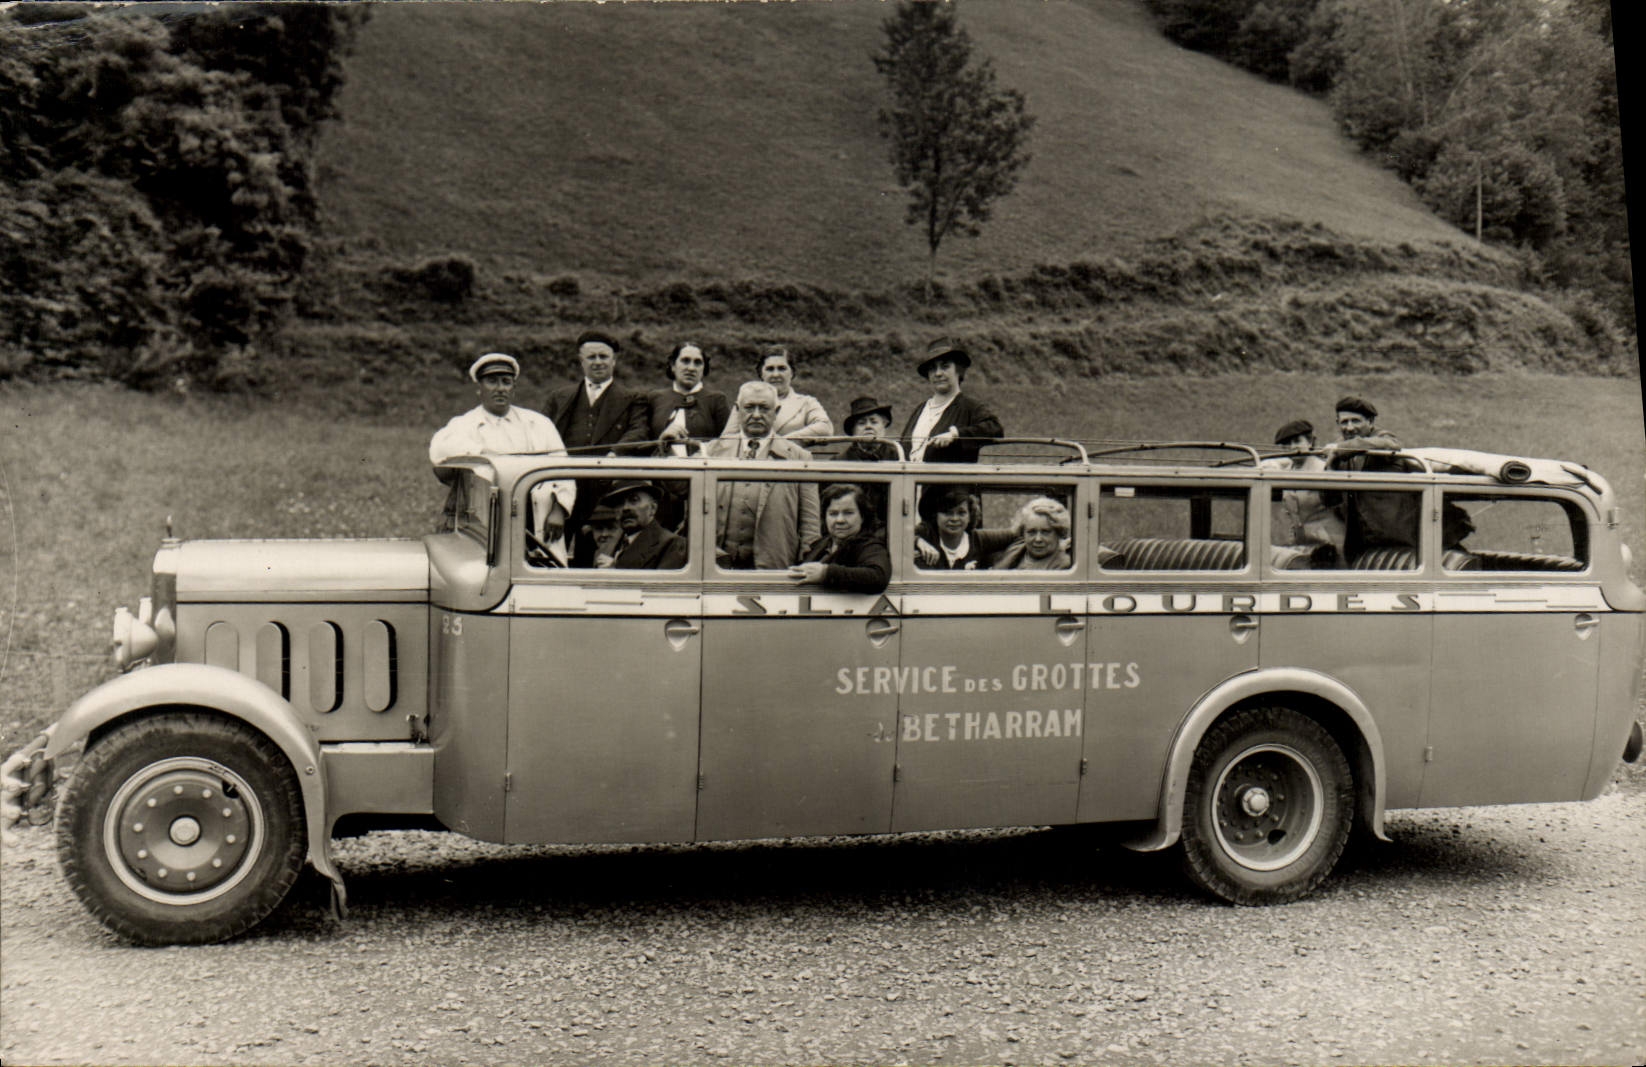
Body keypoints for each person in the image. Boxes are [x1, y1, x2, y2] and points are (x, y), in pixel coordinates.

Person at [429, 352, 574, 557]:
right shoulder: (464, 424)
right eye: (492, 382)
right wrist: (485, 455)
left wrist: (559, 510)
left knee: (543, 567)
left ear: (514, 389)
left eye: (506, 382)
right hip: (489, 519)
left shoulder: (538, 423)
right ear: (479, 388)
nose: (500, 388)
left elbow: (564, 470)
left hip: (538, 519)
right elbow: (439, 450)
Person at [542, 331, 651, 564]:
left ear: (614, 360)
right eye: (591, 357)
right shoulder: (559, 398)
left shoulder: (633, 398)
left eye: (604, 356)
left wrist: (615, 454)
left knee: (597, 558)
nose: (598, 362)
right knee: (549, 555)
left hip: (606, 494)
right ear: (581, 361)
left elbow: (639, 431)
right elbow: (542, 435)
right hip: (564, 491)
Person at [706, 381, 821, 569]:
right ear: (737, 410)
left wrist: (806, 565)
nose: (757, 415)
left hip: (773, 568)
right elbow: (682, 492)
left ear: (776, 412)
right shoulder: (713, 451)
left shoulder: (799, 457)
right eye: (749, 408)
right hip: (717, 567)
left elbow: (810, 524)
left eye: (764, 408)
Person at [1323, 395, 1419, 562]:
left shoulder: (1382, 438)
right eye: (1344, 422)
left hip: (1394, 541)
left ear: (1370, 422)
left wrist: (1340, 449)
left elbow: (1392, 444)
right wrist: (1329, 467)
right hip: (1359, 543)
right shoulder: (1340, 451)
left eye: (1356, 421)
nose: (1350, 427)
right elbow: (1329, 499)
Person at [899, 339, 1004, 463]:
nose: (938, 373)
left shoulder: (970, 407)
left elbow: (995, 429)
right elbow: (902, 448)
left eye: (945, 366)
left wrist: (955, 434)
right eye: (932, 368)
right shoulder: (921, 409)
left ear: (959, 371)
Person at [788, 483, 891, 593]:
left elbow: (878, 576)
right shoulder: (821, 544)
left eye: (848, 513)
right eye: (833, 513)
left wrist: (825, 573)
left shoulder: (869, 546)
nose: (840, 520)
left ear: (862, 517)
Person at [1264, 418, 1344, 558]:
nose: (1292, 447)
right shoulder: (1286, 471)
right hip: (1303, 546)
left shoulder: (1324, 469)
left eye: (1297, 441)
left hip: (1331, 545)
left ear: (1310, 442)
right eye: (1286, 444)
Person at [722, 345, 833, 442]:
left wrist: (783, 443)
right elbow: (727, 438)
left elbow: (825, 427)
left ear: (792, 372)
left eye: (782, 368)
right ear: (761, 373)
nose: (776, 374)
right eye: (770, 369)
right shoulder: (747, 401)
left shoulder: (806, 403)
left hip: (791, 457)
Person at [648, 342, 731, 455]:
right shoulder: (655, 399)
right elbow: (642, 443)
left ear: (704, 368)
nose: (691, 368)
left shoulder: (716, 400)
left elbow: (727, 444)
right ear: (673, 365)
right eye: (685, 361)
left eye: (698, 362)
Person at [913, 484, 1015, 570]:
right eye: (947, 512)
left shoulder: (978, 539)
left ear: (970, 515)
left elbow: (1016, 533)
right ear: (935, 515)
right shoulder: (925, 533)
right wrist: (917, 541)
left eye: (961, 513)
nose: (954, 518)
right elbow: (903, 535)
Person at [599, 480, 688, 570]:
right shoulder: (612, 545)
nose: (625, 508)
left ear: (653, 508)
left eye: (634, 500)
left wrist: (615, 571)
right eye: (619, 502)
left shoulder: (673, 545)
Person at [990, 497, 1074, 571]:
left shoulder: (1065, 567)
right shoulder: (1015, 549)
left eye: (1045, 532)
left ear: (1059, 533)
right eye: (1032, 532)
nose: (1038, 539)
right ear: (1023, 533)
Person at [838, 396, 901, 462]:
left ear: (884, 425)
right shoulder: (840, 461)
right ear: (853, 430)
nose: (868, 426)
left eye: (874, 422)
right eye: (862, 423)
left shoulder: (899, 457)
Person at [584, 503, 624, 569]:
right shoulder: (589, 555)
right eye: (599, 528)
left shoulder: (627, 555)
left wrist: (614, 568)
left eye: (611, 528)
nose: (604, 534)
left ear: (621, 530)